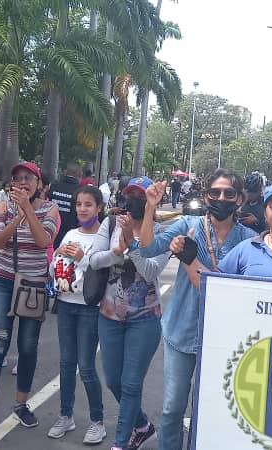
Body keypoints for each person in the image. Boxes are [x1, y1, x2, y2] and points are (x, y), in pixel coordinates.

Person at [137, 169, 255, 450]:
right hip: (181, 331)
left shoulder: (249, 240)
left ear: (239, 199)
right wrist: (150, 208)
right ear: (206, 196)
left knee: (211, 410)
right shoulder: (187, 225)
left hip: (223, 339)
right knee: (172, 408)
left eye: (229, 193)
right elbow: (147, 248)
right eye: (215, 192)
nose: (221, 198)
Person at [0, 161, 59, 438]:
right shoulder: (2, 207)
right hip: (4, 281)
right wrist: (16, 215)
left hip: (33, 284)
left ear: (39, 184)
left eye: (28, 178)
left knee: (28, 346)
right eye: (17, 178)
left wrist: (28, 211)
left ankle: (21, 405)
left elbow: (43, 240)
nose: (22, 182)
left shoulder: (50, 209)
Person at [91, 177, 171, 450]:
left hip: (145, 320)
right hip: (109, 316)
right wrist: (119, 249)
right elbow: (94, 259)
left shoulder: (161, 232)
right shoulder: (111, 224)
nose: (135, 199)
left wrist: (133, 247)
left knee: (131, 384)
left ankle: (121, 443)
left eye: (142, 194)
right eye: (131, 194)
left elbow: (150, 271)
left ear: (151, 199)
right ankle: (142, 425)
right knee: (114, 380)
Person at [47, 185, 110, 444]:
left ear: (99, 208)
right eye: (79, 204)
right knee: (65, 363)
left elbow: (101, 272)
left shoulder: (103, 238)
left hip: (89, 308)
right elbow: (55, 268)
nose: (82, 209)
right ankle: (65, 416)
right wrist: (58, 259)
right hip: (65, 303)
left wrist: (83, 257)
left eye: (88, 205)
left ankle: (98, 421)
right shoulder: (70, 233)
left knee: (85, 366)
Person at [49, 161, 84, 247]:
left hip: (50, 230)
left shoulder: (54, 186)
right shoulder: (80, 191)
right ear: (78, 174)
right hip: (69, 235)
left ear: (65, 172)